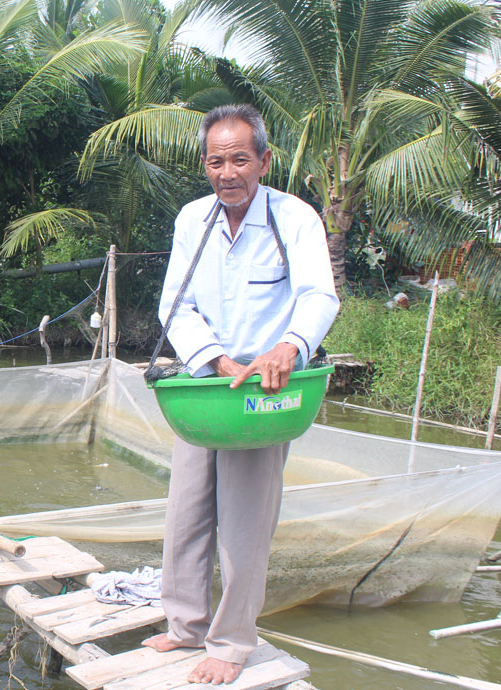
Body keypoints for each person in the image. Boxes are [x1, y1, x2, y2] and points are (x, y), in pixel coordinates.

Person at [142, 104, 339, 684]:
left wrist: (288, 348)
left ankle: (230, 644)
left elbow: (318, 296)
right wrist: (215, 358)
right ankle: (185, 626)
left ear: (263, 160)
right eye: (215, 161)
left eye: (239, 159)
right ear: (204, 165)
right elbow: (174, 302)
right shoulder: (192, 219)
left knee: (246, 519)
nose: (227, 173)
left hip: (264, 389)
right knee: (186, 509)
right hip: (206, 382)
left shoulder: (295, 218)